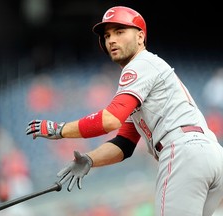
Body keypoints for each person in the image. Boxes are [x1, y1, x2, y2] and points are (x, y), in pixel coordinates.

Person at [25, 6, 223, 216]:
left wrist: (60, 129)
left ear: (140, 37)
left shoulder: (140, 64)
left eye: (120, 32)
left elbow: (110, 120)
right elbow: (125, 144)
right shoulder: (147, 74)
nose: (111, 40)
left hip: (183, 153)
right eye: (107, 35)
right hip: (210, 154)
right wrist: (90, 159)